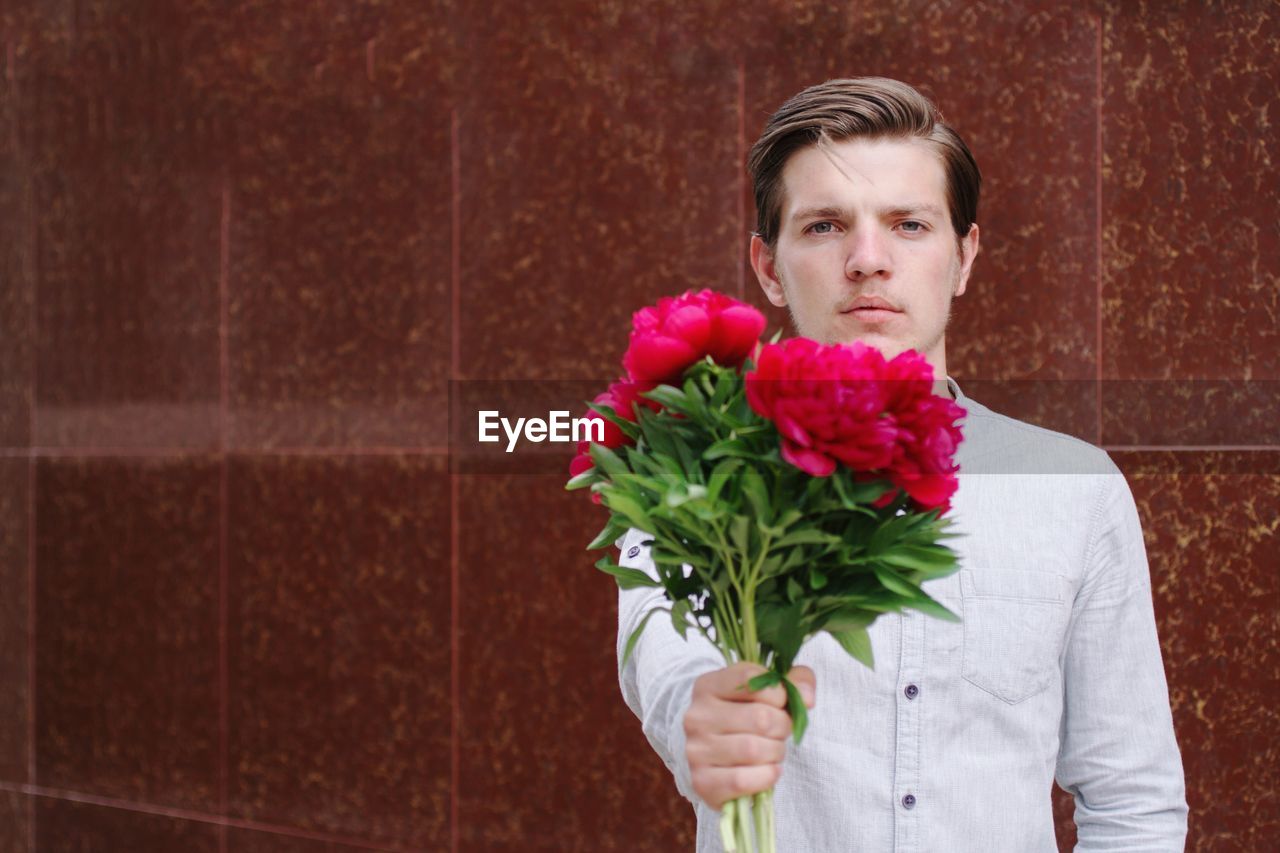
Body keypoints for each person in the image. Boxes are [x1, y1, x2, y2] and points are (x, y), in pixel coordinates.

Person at [615, 77, 1188, 851]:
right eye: (823, 226)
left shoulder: (1074, 489)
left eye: (909, 224)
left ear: (963, 255)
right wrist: (706, 722)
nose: (867, 259)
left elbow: (1132, 800)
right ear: (768, 266)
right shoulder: (695, 473)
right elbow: (668, 670)